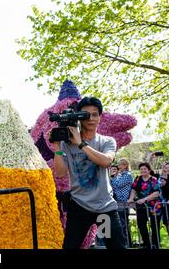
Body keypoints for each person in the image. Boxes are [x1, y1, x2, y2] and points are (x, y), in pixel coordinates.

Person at [53, 96, 126, 249]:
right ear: (78, 116)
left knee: (115, 246)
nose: (91, 118)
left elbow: (106, 161)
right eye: (86, 115)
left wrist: (80, 143)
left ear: (100, 117)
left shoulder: (106, 141)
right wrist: (57, 148)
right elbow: (60, 173)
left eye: (95, 114)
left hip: (104, 209)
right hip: (79, 208)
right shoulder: (67, 144)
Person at [127, 162, 162, 249]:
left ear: (149, 170)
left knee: (155, 227)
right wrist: (131, 198)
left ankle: (155, 245)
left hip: (154, 206)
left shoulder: (153, 179)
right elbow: (133, 189)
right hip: (141, 206)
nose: (143, 170)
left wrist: (144, 199)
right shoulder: (138, 178)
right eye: (141, 169)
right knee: (141, 225)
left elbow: (157, 193)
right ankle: (147, 245)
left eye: (145, 169)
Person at [110, 158, 134, 247]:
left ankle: (127, 244)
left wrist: (112, 177)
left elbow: (117, 184)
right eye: (118, 164)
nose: (118, 166)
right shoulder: (119, 175)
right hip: (117, 202)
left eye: (120, 165)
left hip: (123, 202)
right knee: (119, 225)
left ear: (125, 165)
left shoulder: (128, 175)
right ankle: (122, 243)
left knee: (123, 225)